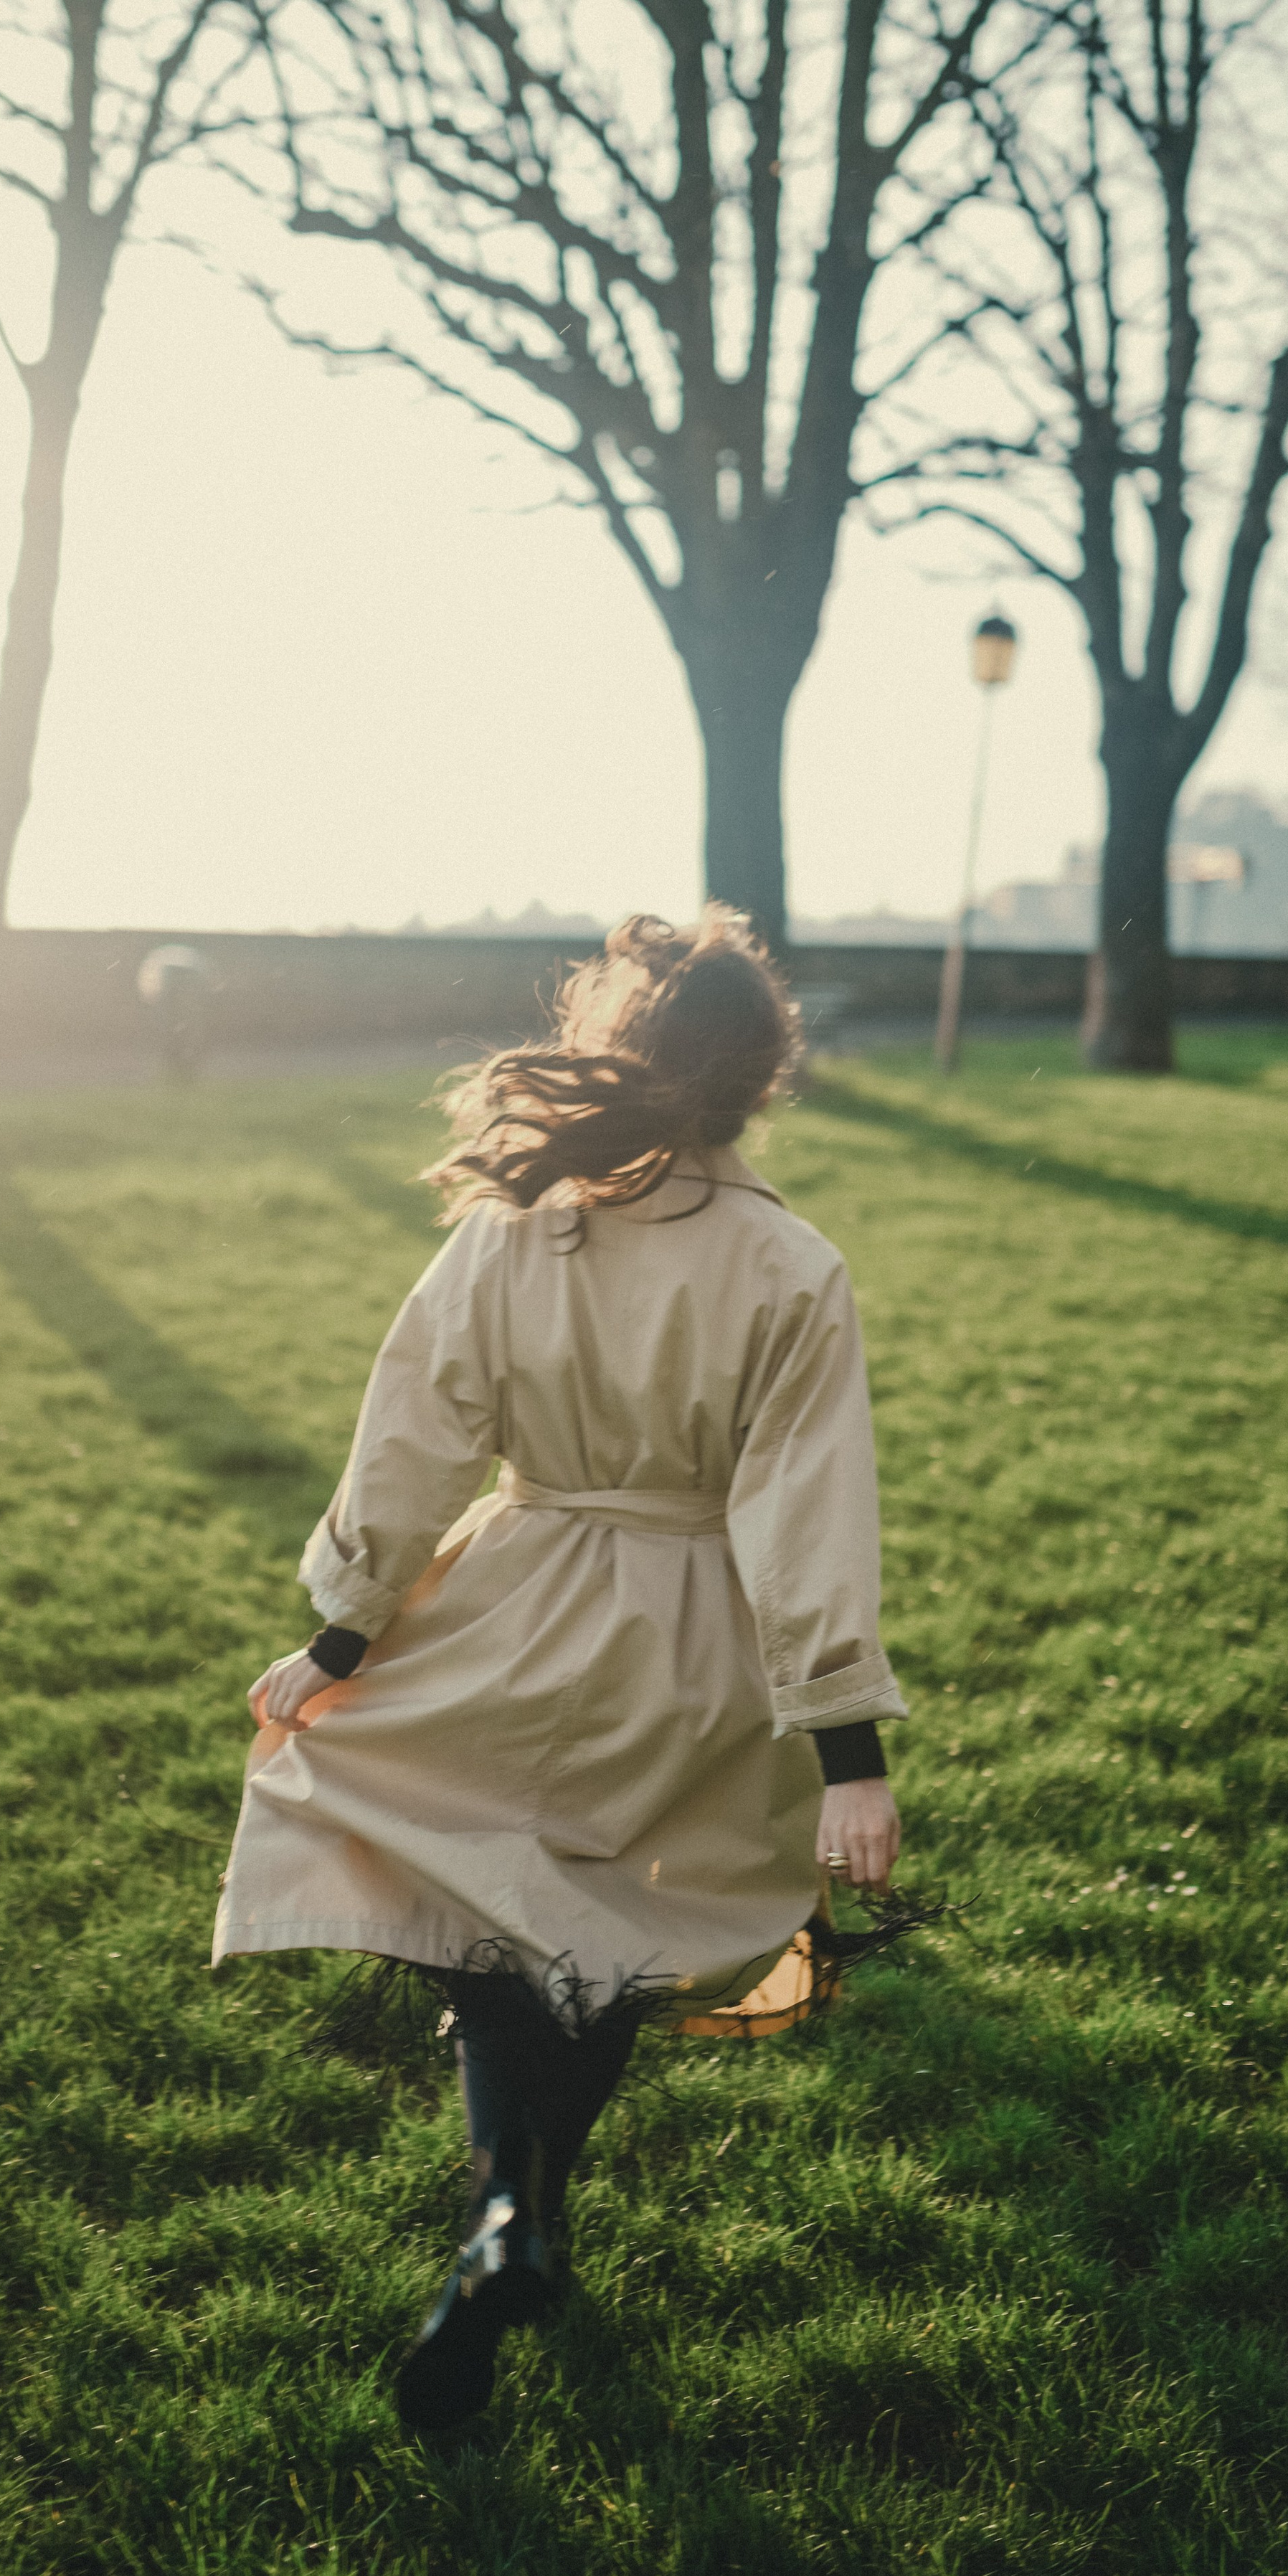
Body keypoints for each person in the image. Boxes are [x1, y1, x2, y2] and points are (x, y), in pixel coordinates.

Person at [214, 908, 912, 2433]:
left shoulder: (512, 1230)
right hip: (692, 1641)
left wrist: (341, 1629)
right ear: (762, 1079)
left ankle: (502, 2213)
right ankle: (529, 2215)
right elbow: (803, 1518)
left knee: (484, 1918)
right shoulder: (794, 1265)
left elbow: (409, 1439)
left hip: (509, 1607)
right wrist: (846, 1756)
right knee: (602, 1925)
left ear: (622, 1054)